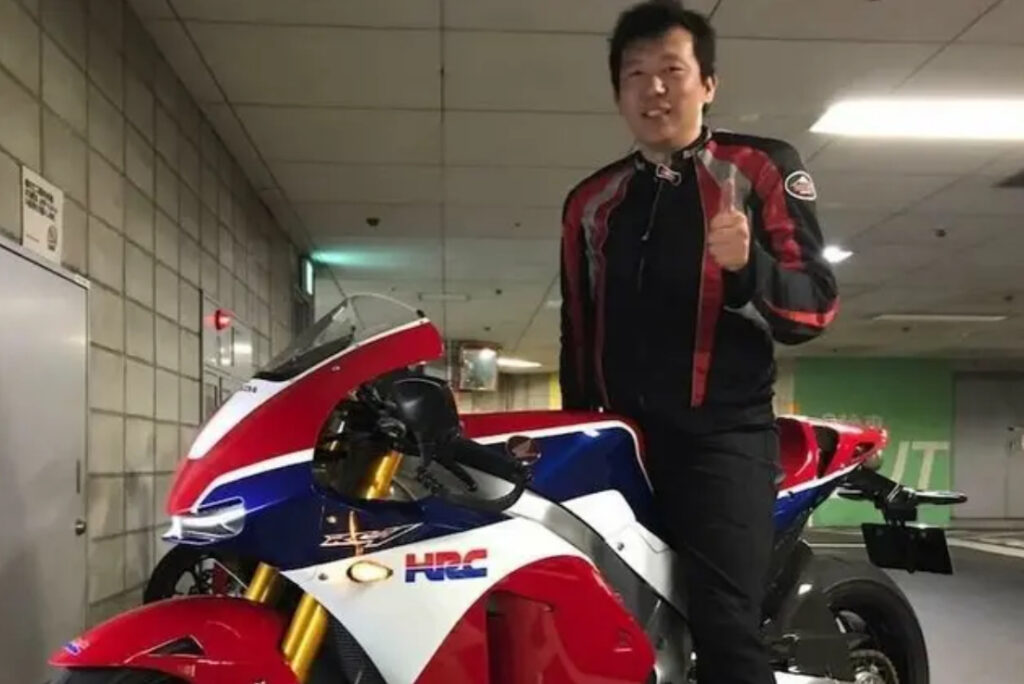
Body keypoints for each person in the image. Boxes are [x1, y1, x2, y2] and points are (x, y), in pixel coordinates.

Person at [557, 1, 839, 682]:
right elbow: (577, 332)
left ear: (708, 83)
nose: (654, 88)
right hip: (618, 440)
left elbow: (814, 310)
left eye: (672, 71)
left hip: (721, 438)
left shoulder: (760, 168)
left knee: (724, 631)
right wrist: (571, 432)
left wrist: (749, 268)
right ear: (618, 93)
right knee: (578, 611)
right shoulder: (589, 201)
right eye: (635, 74)